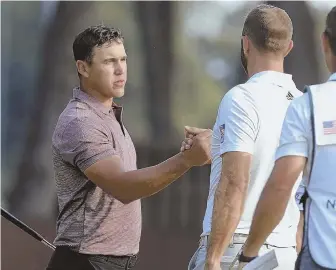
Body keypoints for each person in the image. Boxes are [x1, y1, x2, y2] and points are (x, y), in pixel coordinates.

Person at [46, 25, 212, 270]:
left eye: (123, 59)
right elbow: (123, 187)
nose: (120, 69)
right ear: (83, 68)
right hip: (86, 260)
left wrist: (199, 150)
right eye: (109, 62)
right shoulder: (81, 122)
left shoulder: (107, 115)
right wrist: (185, 160)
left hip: (110, 261)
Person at [183, 4, 303, 270]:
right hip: (286, 252)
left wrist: (214, 258)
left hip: (238, 248)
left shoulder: (241, 98)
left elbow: (235, 181)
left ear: (246, 44)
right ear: (288, 47)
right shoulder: (303, 104)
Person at [241, 6, 336, 270]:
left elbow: (282, 185)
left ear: (325, 42)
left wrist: (249, 252)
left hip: (324, 256)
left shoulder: (310, 105)